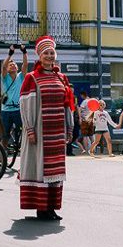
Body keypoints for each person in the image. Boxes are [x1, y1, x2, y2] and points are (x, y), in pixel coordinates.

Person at [18, 36, 73, 221]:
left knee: (55, 170)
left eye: (52, 53)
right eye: (46, 53)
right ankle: (41, 208)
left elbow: (67, 104)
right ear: (39, 57)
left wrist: (70, 126)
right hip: (40, 132)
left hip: (57, 132)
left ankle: (52, 208)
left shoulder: (61, 77)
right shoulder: (31, 78)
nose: (49, 56)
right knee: (41, 168)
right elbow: (25, 105)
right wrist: (30, 129)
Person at [0, 44, 28, 148]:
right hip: (6, 110)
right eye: (10, 65)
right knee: (5, 135)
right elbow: (3, 66)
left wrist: (24, 52)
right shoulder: (5, 77)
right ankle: (2, 157)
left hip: (18, 109)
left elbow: (25, 65)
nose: (13, 65)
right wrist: (10, 54)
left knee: (22, 132)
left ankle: (20, 148)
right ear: (7, 69)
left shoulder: (21, 76)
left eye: (14, 64)